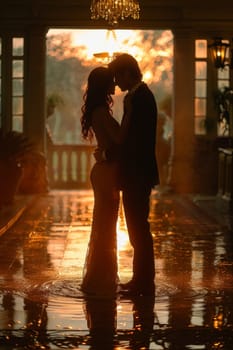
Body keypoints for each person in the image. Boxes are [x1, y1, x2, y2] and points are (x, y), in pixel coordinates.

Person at [106, 53, 159, 296]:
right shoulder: (137, 96)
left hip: (137, 173)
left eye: (118, 76)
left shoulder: (139, 98)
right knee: (138, 227)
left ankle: (144, 283)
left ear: (128, 72)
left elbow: (136, 142)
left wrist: (112, 155)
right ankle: (142, 280)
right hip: (137, 173)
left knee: (139, 228)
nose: (116, 83)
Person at [80, 66, 131, 297]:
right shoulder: (100, 112)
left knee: (105, 224)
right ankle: (101, 278)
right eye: (111, 80)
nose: (115, 84)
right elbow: (119, 140)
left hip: (105, 170)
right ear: (103, 85)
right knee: (105, 225)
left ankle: (101, 276)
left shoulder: (99, 111)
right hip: (106, 173)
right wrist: (130, 116)